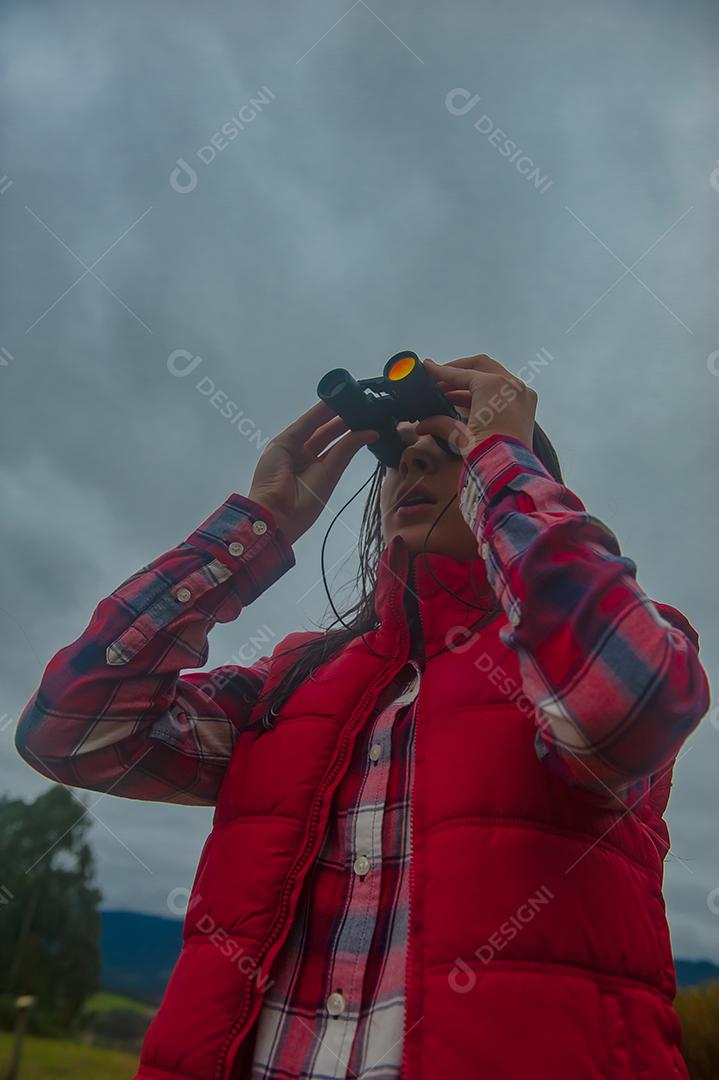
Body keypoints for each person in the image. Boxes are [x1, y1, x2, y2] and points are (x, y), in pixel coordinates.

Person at [15, 354, 710, 1080]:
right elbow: (72, 732)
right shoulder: (291, 683)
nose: (410, 459)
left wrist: (501, 455)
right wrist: (258, 527)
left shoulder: (616, 648)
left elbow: (621, 704)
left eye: (448, 449)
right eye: (395, 453)